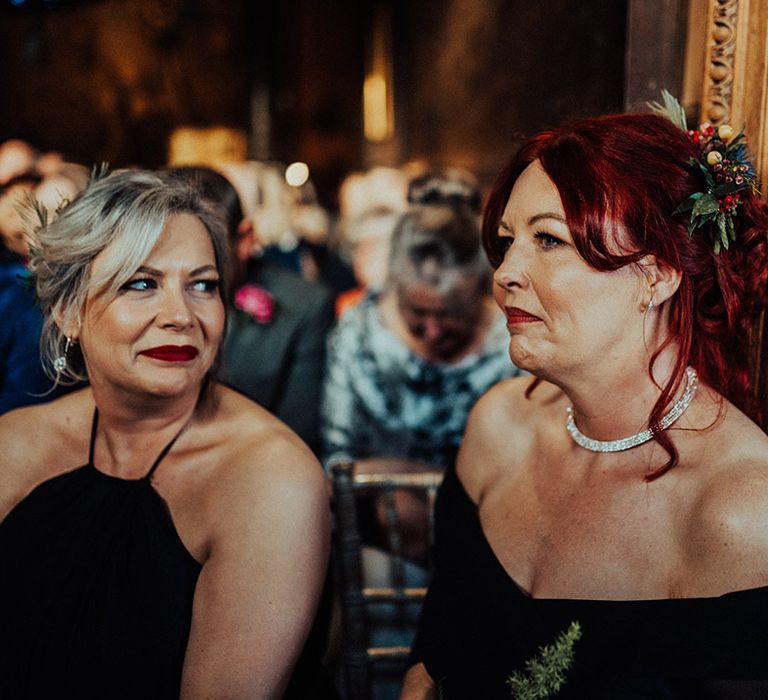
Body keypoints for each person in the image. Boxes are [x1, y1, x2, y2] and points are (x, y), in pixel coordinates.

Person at [401, 109, 768, 698]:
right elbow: (434, 653)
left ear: (657, 274)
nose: (505, 273)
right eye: (506, 241)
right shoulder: (498, 427)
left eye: (548, 239)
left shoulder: (744, 512)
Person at [0, 170, 333, 699]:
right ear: (67, 310)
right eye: (141, 283)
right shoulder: (12, 445)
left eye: (202, 285)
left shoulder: (271, 481)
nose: (181, 315)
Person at [322, 201, 521, 559]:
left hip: (496, 529)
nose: (431, 332)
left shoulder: (512, 343)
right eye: (416, 312)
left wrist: (402, 475)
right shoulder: (358, 333)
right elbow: (336, 463)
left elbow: (527, 465)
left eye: (449, 314)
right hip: (379, 537)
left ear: (479, 291)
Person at [165, 165, 335, 454]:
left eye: (207, 247)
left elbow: (297, 439)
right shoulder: (140, 304)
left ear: (243, 239)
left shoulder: (302, 305)